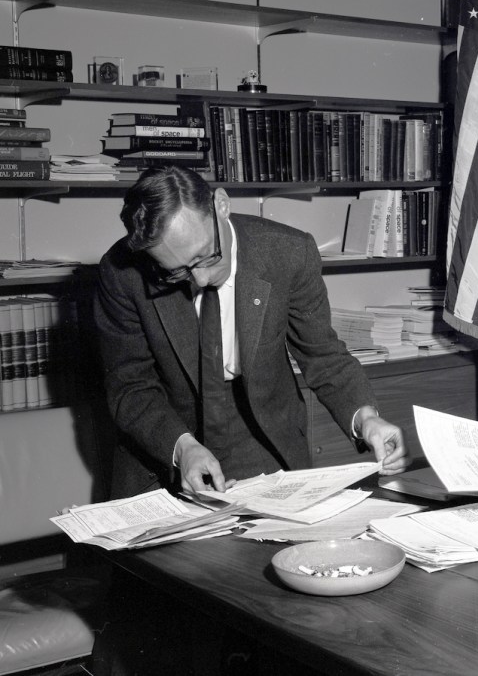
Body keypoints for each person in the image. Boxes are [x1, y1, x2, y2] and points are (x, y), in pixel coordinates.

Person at [94, 165, 408, 498]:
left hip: (260, 432)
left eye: (205, 256)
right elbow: (131, 386)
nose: (199, 280)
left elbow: (324, 356)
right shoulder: (122, 273)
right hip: (166, 437)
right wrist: (182, 447)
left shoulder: (288, 253)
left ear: (221, 205)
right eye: (176, 273)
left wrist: (366, 419)